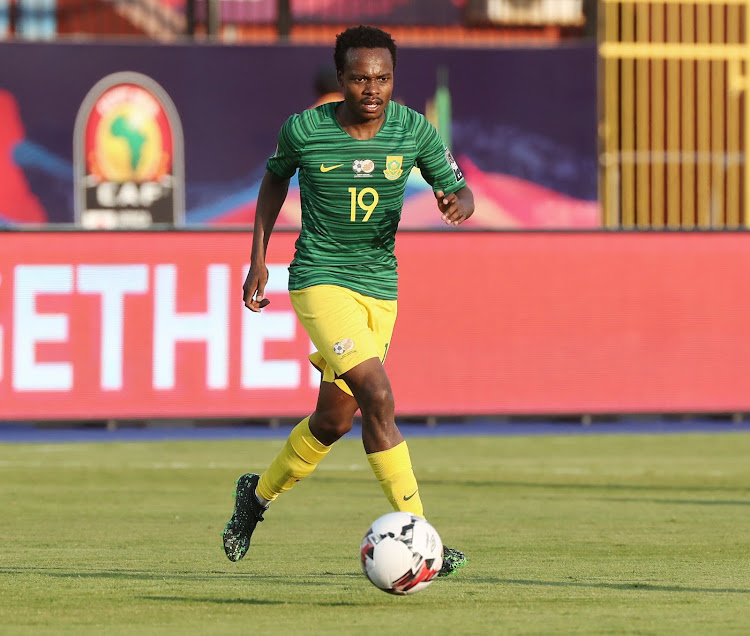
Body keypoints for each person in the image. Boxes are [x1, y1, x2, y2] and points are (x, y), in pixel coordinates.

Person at [223, 24, 475, 577]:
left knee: (333, 421)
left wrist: (459, 201)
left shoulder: (413, 131)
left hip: (380, 288)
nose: (372, 89)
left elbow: (459, 187)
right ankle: (424, 537)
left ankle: (255, 497)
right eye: (360, 78)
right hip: (318, 280)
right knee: (378, 396)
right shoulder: (306, 131)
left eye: (383, 78)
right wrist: (259, 259)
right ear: (341, 79)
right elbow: (272, 183)